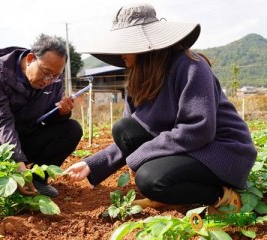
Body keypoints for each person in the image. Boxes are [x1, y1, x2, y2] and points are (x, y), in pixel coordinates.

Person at [64, 3, 257, 212]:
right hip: (190, 148)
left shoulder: (191, 66)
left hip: (221, 151)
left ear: (142, 44)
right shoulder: (139, 77)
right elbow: (131, 135)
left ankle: (221, 196)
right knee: (124, 129)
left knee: (150, 179)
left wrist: (140, 158)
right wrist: (93, 164)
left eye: (125, 44)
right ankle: (174, 190)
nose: (120, 53)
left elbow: (198, 130)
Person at [0, 34, 83, 198]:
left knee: (72, 129)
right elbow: (2, 121)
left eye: (55, 75)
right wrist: (17, 162)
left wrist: (62, 113)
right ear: (30, 58)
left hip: (27, 139)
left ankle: (36, 181)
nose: (49, 80)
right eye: (45, 72)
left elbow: (47, 120)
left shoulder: (54, 80)